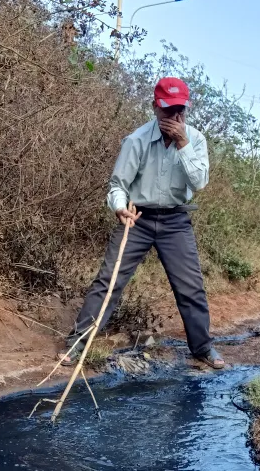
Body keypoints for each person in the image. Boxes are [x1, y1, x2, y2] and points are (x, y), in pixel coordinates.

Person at [63, 77, 226, 369]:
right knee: (108, 281)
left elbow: (199, 182)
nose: (174, 116)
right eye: (168, 110)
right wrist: (119, 208)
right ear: (154, 107)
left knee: (191, 288)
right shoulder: (136, 140)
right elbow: (118, 185)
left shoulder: (196, 140)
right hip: (136, 218)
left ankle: (202, 348)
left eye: (180, 110)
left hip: (176, 221)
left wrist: (183, 143)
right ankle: (77, 345)